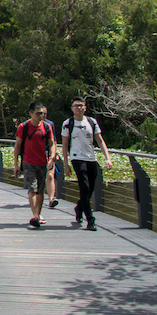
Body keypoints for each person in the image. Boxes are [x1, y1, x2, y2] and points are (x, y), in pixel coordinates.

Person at [62, 97, 113, 231]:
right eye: (76, 106)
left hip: (91, 158)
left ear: (85, 108)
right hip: (76, 158)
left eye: (81, 106)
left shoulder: (91, 122)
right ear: (72, 108)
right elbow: (65, 144)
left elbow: (100, 141)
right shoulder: (68, 123)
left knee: (90, 188)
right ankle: (90, 219)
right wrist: (66, 164)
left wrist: (107, 158)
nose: (79, 108)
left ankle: (79, 207)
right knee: (84, 188)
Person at [13, 101, 57, 228]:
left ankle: (38, 213)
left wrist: (52, 157)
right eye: (38, 113)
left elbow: (52, 143)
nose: (41, 115)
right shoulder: (23, 127)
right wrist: (16, 164)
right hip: (28, 162)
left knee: (41, 191)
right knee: (32, 188)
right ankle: (35, 216)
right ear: (31, 113)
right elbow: (18, 146)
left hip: (42, 162)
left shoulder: (47, 127)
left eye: (42, 113)